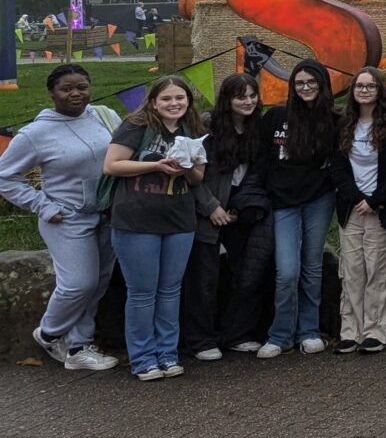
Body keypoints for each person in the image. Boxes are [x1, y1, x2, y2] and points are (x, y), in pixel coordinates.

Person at [0, 64, 120, 371]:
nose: (76, 94)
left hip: (107, 213)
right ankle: (49, 333)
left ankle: (80, 346)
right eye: (67, 89)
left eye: (82, 86)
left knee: (99, 282)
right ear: (52, 93)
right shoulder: (36, 133)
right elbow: (5, 176)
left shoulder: (104, 116)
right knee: (78, 283)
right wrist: (42, 205)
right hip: (66, 218)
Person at [100, 75, 207, 380]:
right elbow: (112, 165)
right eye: (167, 99)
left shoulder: (195, 129)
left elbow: (198, 177)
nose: (174, 104)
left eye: (180, 98)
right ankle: (143, 357)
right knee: (143, 292)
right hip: (136, 218)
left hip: (179, 219)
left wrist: (187, 168)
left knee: (171, 290)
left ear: (189, 100)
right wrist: (157, 165)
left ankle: (168, 353)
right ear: (154, 101)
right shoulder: (137, 126)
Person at [185, 73, 273, 361]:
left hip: (240, 209)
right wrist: (210, 206)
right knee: (204, 276)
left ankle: (236, 333)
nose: (248, 101)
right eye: (240, 96)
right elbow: (192, 174)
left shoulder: (257, 129)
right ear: (227, 99)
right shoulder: (208, 128)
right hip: (207, 208)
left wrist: (242, 207)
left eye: (252, 95)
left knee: (243, 272)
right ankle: (200, 339)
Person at [260, 58, 340, 358]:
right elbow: (262, 158)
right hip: (283, 202)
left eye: (312, 82)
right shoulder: (277, 116)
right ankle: (280, 333)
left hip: (318, 199)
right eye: (300, 83)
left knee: (312, 265)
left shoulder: (333, 120)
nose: (306, 88)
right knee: (287, 270)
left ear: (322, 85)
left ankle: (309, 330)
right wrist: (268, 189)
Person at [332, 67, 386, 355]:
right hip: (351, 207)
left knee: (380, 267)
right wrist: (355, 197)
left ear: (380, 90)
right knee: (352, 270)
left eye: (370, 86)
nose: (364, 91)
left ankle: (380, 330)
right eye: (359, 86)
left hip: (381, 207)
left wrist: (375, 199)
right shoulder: (343, 125)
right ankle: (351, 330)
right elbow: (338, 167)